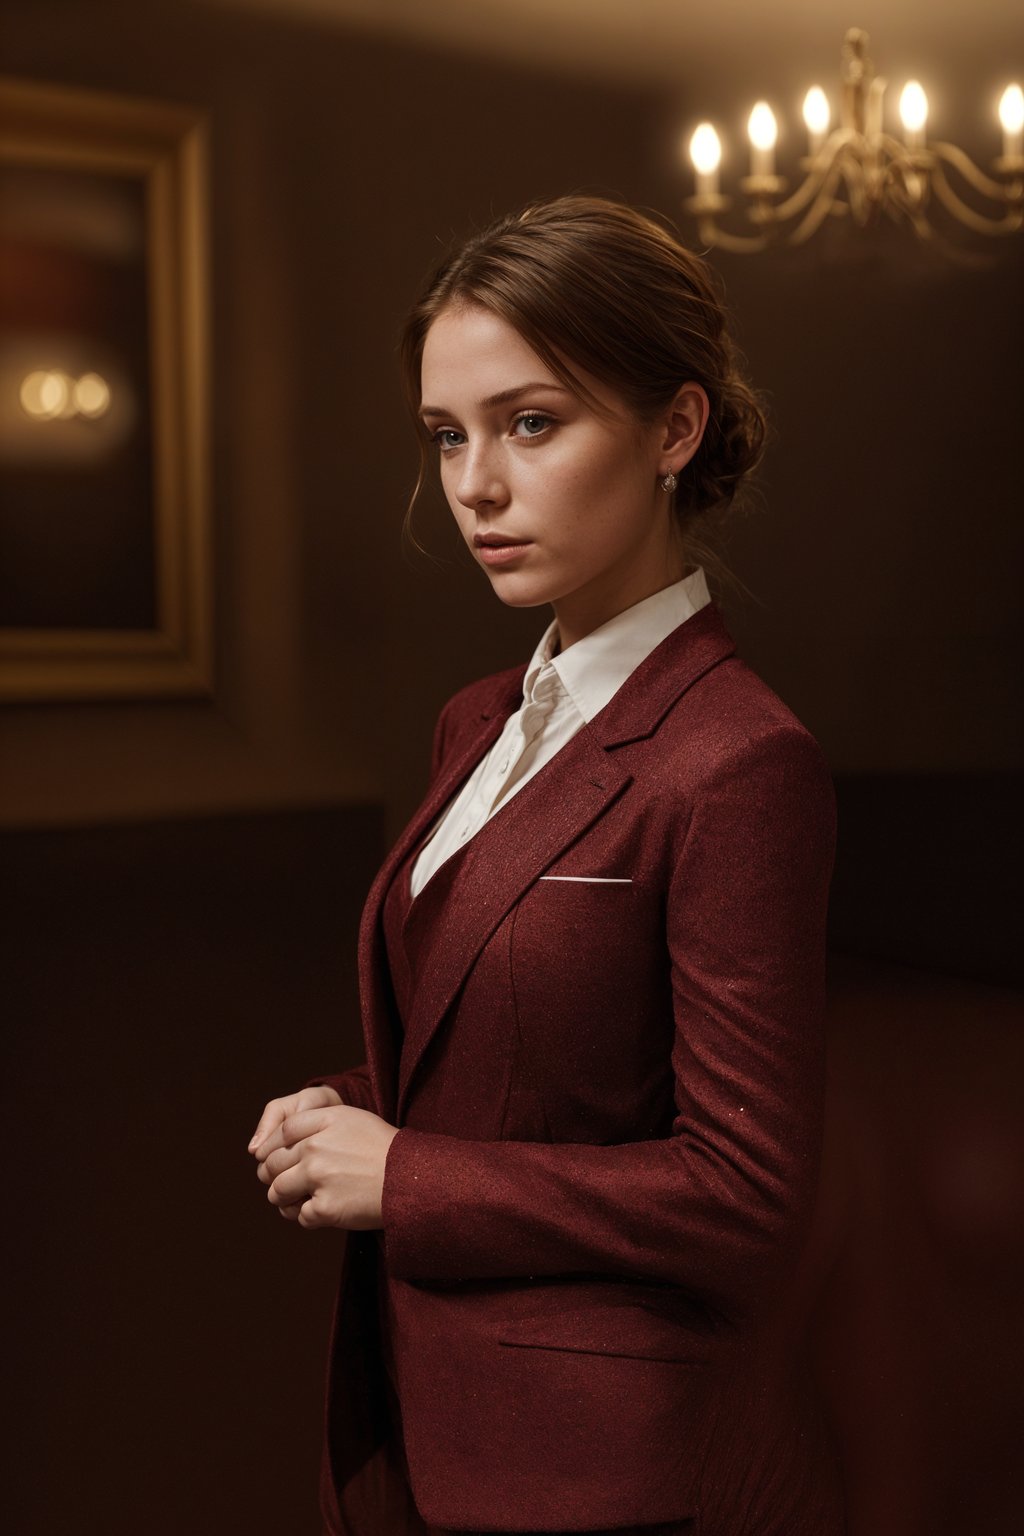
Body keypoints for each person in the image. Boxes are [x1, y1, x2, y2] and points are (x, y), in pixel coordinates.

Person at [248, 196, 845, 1536]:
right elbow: (528, 1055)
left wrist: (400, 1174)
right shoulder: (480, 717)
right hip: (419, 1415)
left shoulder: (741, 761)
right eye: (447, 436)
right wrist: (348, 1103)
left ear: (674, 431)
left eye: (530, 422)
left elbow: (744, 1194)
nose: (475, 485)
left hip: (605, 1481)